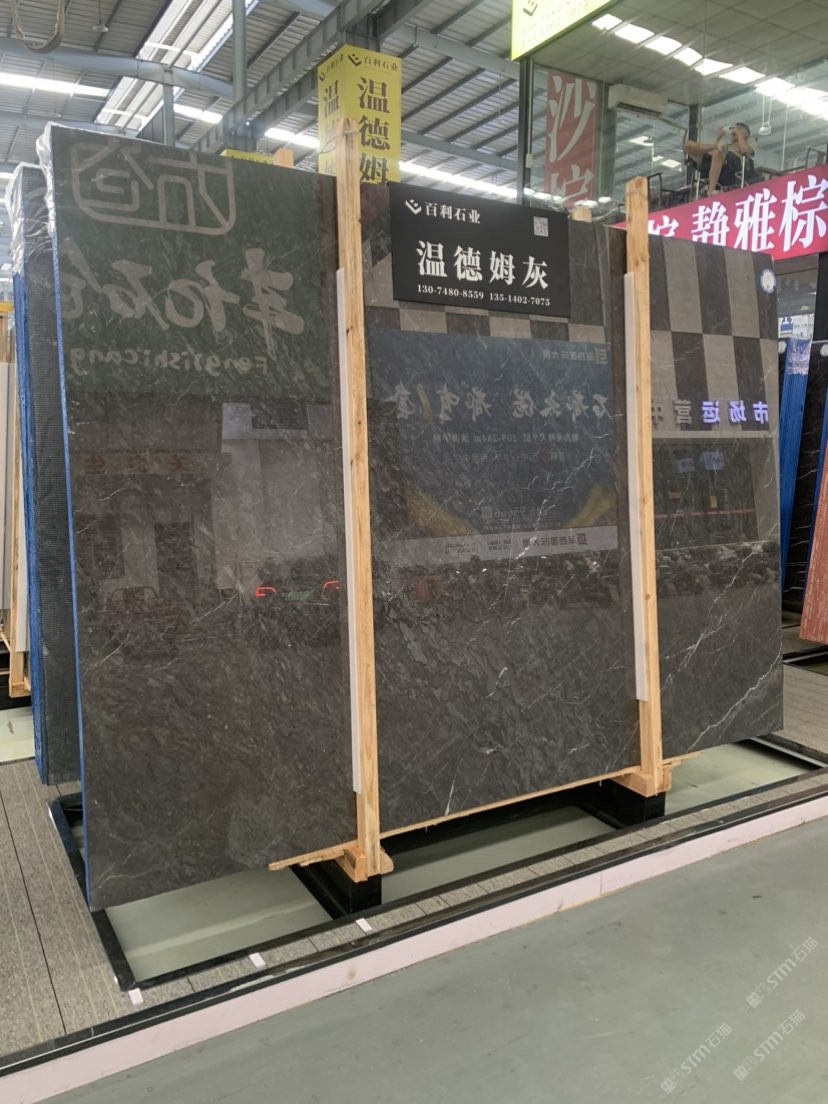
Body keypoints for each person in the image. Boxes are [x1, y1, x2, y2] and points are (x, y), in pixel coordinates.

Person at [684, 123, 758, 194]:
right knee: (689, 145)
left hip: (734, 163)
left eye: (738, 128)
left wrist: (740, 135)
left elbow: (746, 151)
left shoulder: (750, 140)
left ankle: (711, 190)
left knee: (717, 152)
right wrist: (719, 137)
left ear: (746, 133)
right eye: (733, 128)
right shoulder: (727, 144)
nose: (734, 130)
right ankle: (713, 147)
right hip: (718, 161)